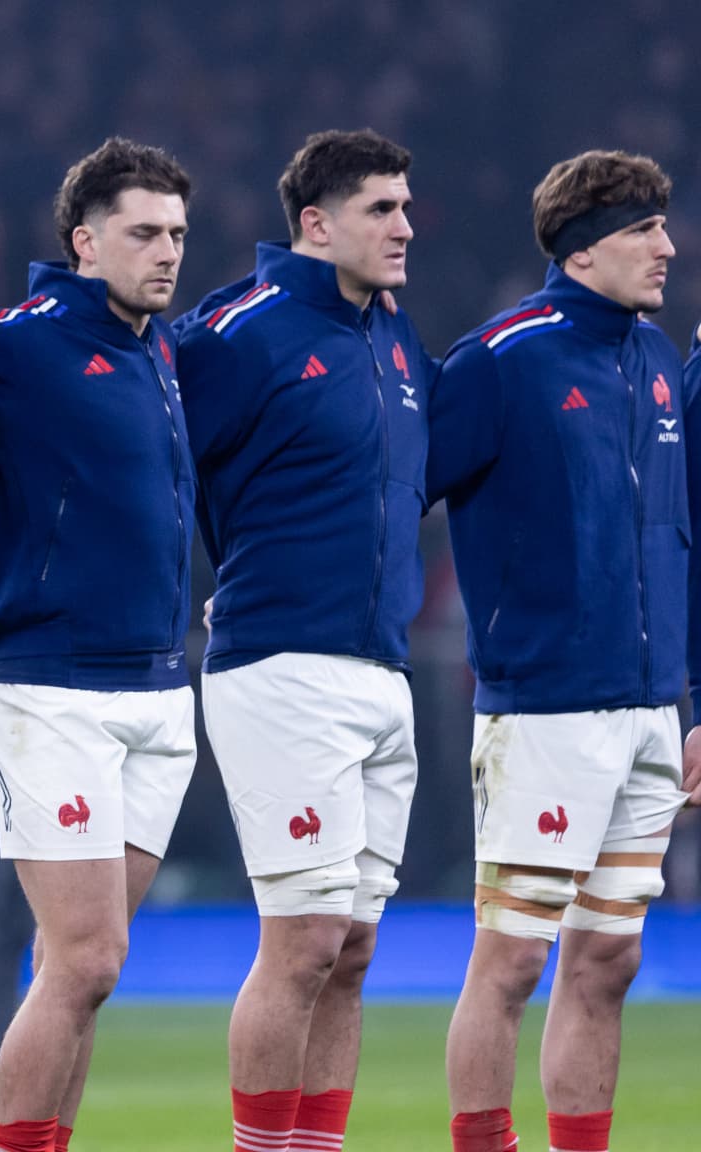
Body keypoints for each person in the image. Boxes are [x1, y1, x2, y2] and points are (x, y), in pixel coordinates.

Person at [173, 129, 434, 1152]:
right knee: (305, 941)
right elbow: (149, 463)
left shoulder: (393, 337)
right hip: (281, 665)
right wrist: (214, 581)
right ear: (316, 224)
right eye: (382, 209)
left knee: (353, 948)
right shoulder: (238, 332)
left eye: (405, 206)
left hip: (383, 666)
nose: (405, 227)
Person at [429, 150, 694, 1152]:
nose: (667, 247)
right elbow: (395, 494)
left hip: (648, 711)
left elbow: (680, 537)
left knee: (608, 964)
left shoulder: (655, 360)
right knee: (510, 964)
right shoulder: (499, 359)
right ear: (582, 250)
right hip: (543, 711)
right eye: (643, 229)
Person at [0, 137, 198, 1152]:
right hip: (53, 686)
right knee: (85, 959)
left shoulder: (160, 349)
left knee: (91, 972)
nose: (167, 251)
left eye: (177, 233)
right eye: (143, 233)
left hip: (159, 685)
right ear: (84, 241)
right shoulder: (10, 347)